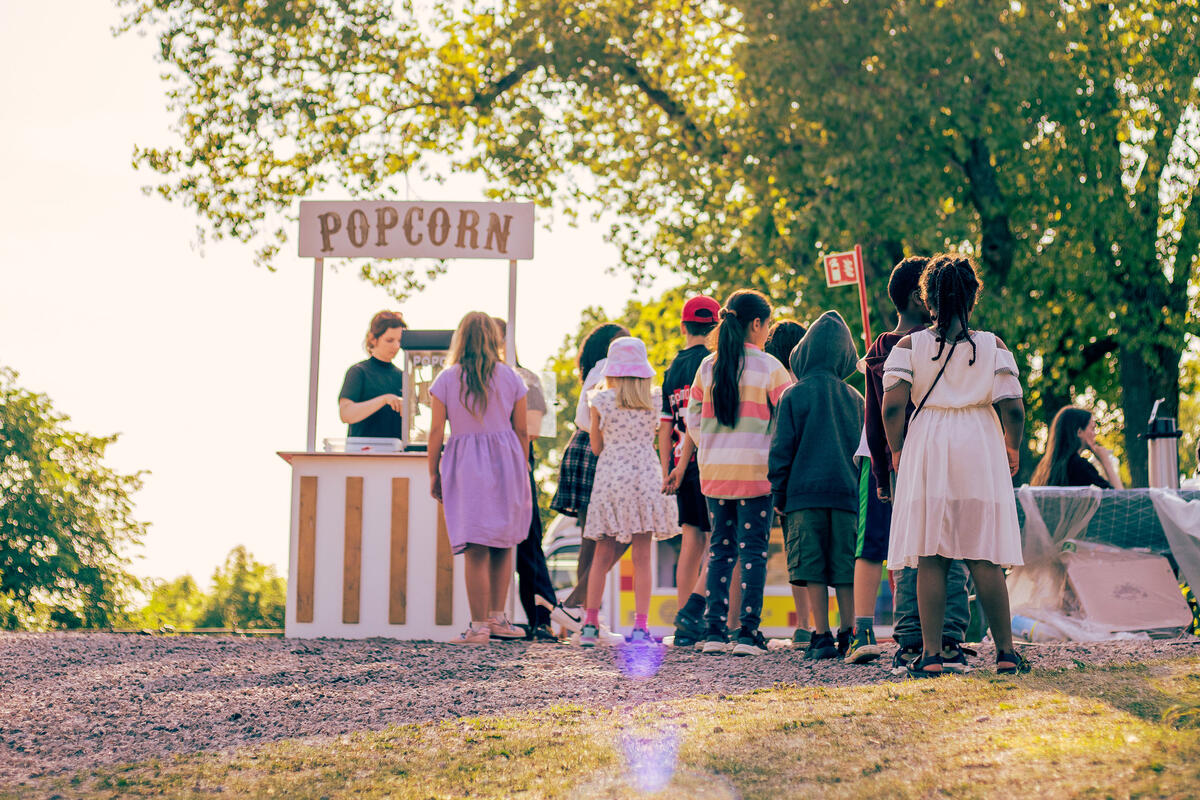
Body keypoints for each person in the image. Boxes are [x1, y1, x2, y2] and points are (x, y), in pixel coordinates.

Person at [882, 254, 1029, 676]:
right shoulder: (993, 346)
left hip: (929, 442)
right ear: (972, 298)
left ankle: (930, 656)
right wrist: (1012, 445)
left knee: (932, 552)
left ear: (927, 298)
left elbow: (893, 407)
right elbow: (1013, 408)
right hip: (979, 444)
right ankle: (1005, 653)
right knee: (983, 553)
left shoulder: (909, 346)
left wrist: (896, 449)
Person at [855, 257, 973, 671]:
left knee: (909, 550)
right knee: (952, 546)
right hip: (947, 456)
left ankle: (910, 640)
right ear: (918, 298)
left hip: (901, 461)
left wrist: (886, 466)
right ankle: (950, 637)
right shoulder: (943, 343)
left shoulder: (881, 349)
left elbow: (876, 415)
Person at [686, 290, 792, 656]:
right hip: (755, 474)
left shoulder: (708, 366)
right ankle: (747, 633)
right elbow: (788, 416)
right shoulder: (769, 367)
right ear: (757, 324)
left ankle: (713, 632)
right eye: (768, 324)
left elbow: (692, 418)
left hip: (715, 474)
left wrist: (711, 446)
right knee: (753, 553)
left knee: (720, 551)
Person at [427, 312, 532, 645]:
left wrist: (433, 470)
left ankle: (477, 627)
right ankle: (499, 618)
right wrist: (523, 466)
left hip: (464, 463)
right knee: (503, 541)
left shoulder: (446, 378)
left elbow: (435, 431)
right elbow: (522, 429)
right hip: (507, 459)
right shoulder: (512, 378)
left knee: (475, 545)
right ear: (493, 338)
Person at [768, 311, 864, 660]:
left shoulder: (793, 396)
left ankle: (820, 635)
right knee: (844, 567)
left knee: (811, 568)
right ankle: (849, 632)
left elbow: (782, 450)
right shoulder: (856, 399)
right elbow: (862, 453)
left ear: (803, 353)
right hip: (846, 496)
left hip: (803, 497)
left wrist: (779, 492)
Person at [579, 337, 680, 645]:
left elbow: (596, 448)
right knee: (642, 555)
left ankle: (590, 625)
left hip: (612, 476)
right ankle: (640, 628)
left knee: (602, 552)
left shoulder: (600, 400)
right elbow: (664, 437)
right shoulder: (655, 399)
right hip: (645, 475)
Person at [550, 322, 630, 626]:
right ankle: (576, 605)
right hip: (596, 448)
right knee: (617, 533)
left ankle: (579, 612)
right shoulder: (607, 368)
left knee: (591, 537)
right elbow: (596, 415)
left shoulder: (598, 368)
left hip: (585, 447)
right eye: (622, 342)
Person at [492, 317, 558, 642]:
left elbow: (531, 429)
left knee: (528, 544)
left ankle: (541, 619)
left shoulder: (527, 379)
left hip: (519, 468)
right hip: (486, 468)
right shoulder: (475, 378)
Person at [660, 296, 720, 648]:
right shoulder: (712, 363)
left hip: (681, 466)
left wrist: (667, 468)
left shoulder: (672, 369)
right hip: (710, 460)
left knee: (691, 541)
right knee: (722, 542)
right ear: (715, 330)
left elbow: (665, 427)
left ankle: (685, 622)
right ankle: (711, 618)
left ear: (684, 327)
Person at [763, 318, 813, 646]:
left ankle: (804, 625)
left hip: (774, 474)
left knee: (788, 553)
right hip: (807, 476)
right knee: (810, 552)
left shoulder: (768, 376)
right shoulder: (803, 385)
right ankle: (814, 625)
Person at [338, 310, 408, 438]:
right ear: (373, 339)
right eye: (389, 340)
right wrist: (384, 399)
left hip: (396, 454)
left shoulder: (403, 376)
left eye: (399, 341)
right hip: (363, 454)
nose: (396, 346)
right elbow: (346, 414)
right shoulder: (358, 372)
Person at [1031, 406, 1125, 489]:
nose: (1095, 434)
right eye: (1092, 428)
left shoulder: (1047, 469)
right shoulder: (1080, 467)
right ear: (1079, 432)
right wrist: (1106, 462)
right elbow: (1119, 500)